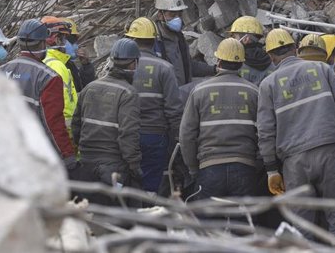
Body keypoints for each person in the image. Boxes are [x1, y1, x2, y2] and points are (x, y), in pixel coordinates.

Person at [257, 28, 335, 240]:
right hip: (329, 152)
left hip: (295, 163)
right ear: (295, 48)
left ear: (271, 56)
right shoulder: (322, 69)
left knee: (302, 226)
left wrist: (271, 170)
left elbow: (265, 131)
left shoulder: (268, 85)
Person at [180, 38, 259, 200]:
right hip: (245, 167)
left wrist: (193, 168)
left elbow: (186, 134)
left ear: (218, 61)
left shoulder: (199, 91)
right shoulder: (254, 91)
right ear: (241, 64)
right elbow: (264, 131)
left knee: (207, 223)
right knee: (244, 222)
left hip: (209, 168)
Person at [0, 19, 77, 172]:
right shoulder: (48, 77)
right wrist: (68, 156)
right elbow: (53, 123)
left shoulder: (0, 71)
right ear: (42, 43)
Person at [71, 38, 143, 199]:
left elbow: (76, 126)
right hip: (113, 166)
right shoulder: (128, 93)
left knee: (90, 214)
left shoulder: (90, 87)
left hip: (86, 164)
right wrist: (134, 166)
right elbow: (128, 134)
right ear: (134, 64)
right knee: (116, 216)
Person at [125, 16, 181, 193]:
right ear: (154, 41)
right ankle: (149, 213)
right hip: (155, 136)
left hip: (126, 133)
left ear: (132, 40)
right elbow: (174, 109)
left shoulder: (120, 65)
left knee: (127, 179)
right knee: (152, 183)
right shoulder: (165, 68)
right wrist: (177, 140)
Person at [153, 0, 214, 85]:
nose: (177, 19)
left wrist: (213, 69)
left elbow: (189, 66)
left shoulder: (179, 38)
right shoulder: (155, 40)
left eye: (179, 14)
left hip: (180, 94)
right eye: (172, 15)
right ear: (160, 15)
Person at [41, 16, 78, 137]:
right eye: (64, 38)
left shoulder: (43, 61)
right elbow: (66, 107)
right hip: (65, 134)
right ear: (56, 39)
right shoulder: (57, 66)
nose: (66, 42)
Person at [227, 15, 274, 86]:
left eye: (234, 36)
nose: (233, 40)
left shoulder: (233, 63)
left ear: (246, 39)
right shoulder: (274, 59)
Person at [61, 17, 96, 93]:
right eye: (72, 40)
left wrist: (86, 65)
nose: (76, 45)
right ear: (58, 40)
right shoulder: (53, 66)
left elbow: (84, 88)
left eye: (76, 41)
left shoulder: (69, 64)